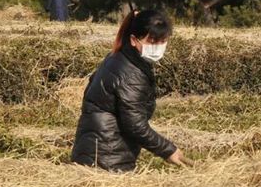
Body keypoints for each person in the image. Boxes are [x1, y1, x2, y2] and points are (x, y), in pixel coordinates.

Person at [70, 9, 187, 172]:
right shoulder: (130, 74)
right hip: (107, 158)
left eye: (162, 41)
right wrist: (168, 150)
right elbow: (135, 125)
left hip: (96, 151)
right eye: (152, 41)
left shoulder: (117, 58)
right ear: (134, 40)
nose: (158, 47)